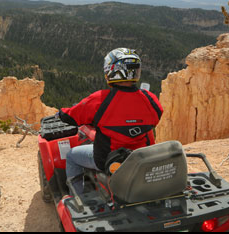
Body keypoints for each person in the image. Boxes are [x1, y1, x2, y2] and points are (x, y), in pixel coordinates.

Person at [58, 48, 163, 195]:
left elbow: (71, 117)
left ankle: (77, 197)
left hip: (109, 160)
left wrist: (60, 113)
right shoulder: (150, 99)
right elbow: (154, 118)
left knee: (71, 156)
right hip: (143, 158)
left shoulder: (100, 100)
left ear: (111, 71)